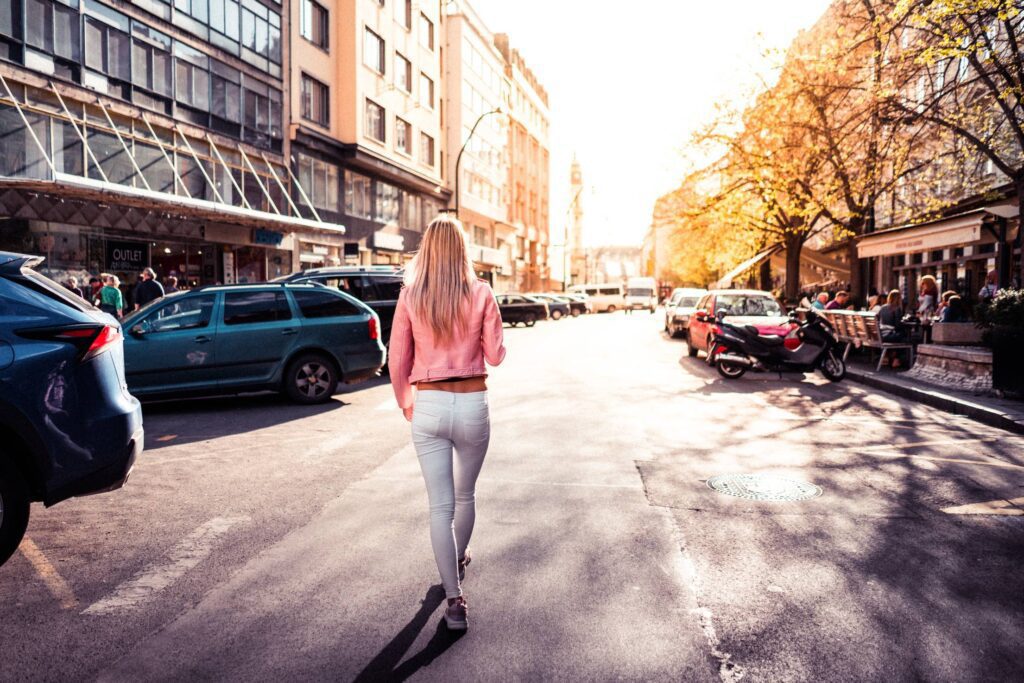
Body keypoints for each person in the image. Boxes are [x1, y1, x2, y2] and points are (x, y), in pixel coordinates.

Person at [388, 215, 506, 632]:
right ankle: (457, 558)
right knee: (465, 495)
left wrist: (406, 401)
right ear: (462, 251)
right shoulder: (481, 293)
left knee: (440, 506)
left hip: (430, 405)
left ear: (427, 251)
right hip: (472, 402)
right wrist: (491, 325)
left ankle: (455, 602)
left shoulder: (411, 296)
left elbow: (396, 355)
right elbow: (494, 356)